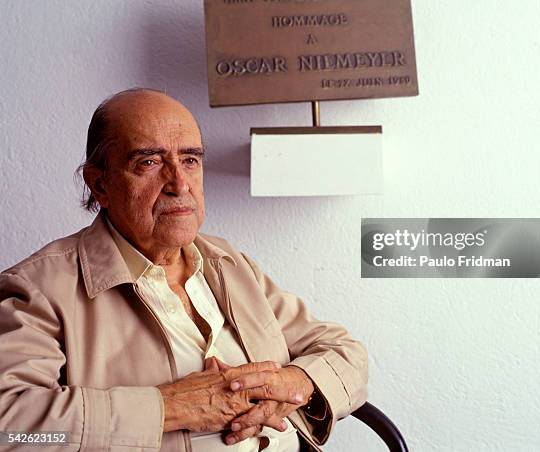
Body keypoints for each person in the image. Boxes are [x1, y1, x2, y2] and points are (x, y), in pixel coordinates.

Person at [0, 89, 367, 451]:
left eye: (190, 160)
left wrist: (292, 382)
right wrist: (169, 407)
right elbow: (10, 427)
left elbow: (344, 352)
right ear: (100, 184)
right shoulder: (39, 287)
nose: (179, 183)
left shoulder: (227, 262)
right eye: (149, 162)